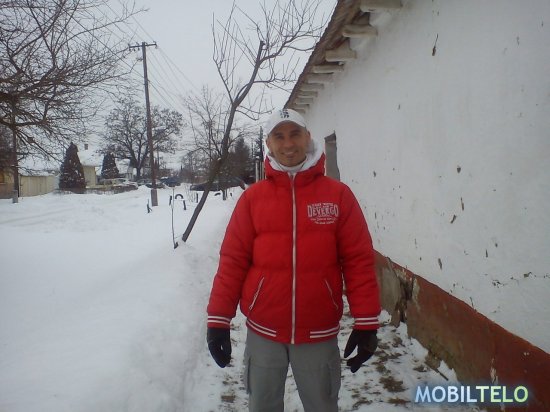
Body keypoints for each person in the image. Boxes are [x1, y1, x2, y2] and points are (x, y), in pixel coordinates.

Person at [206, 108, 380, 411]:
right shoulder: (252, 199)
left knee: (322, 405)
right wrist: (218, 320)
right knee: (262, 405)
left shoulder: (338, 195)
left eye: (295, 134)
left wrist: (366, 322)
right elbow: (233, 261)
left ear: (307, 137)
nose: (288, 144)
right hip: (264, 330)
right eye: (279, 136)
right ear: (269, 144)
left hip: (318, 331)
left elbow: (358, 260)